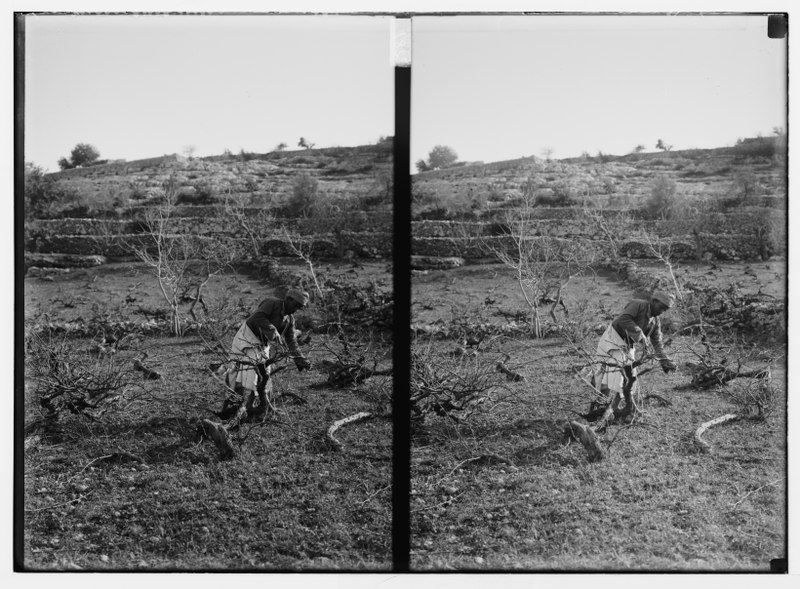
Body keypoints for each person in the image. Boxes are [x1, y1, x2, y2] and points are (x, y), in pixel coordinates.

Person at [204, 288, 312, 458]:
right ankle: (233, 406)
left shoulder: (289, 319)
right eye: (296, 305)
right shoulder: (272, 304)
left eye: (299, 307)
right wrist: (272, 330)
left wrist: (301, 359)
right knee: (241, 371)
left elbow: (291, 341)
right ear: (289, 299)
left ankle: (262, 407)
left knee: (264, 374)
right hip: (247, 338)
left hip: (262, 344)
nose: (296, 309)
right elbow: (257, 317)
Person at [592, 290, 677, 418]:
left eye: (665, 310)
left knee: (629, 378)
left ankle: (626, 410)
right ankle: (603, 409)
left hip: (627, 345)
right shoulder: (638, 305)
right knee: (607, 375)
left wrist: (665, 360)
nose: (662, 311)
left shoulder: (655, 322)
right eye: (661, 307)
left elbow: (657, 343)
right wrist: (641, 335)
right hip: (612, 338)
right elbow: (623, 319)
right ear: (654, 301)